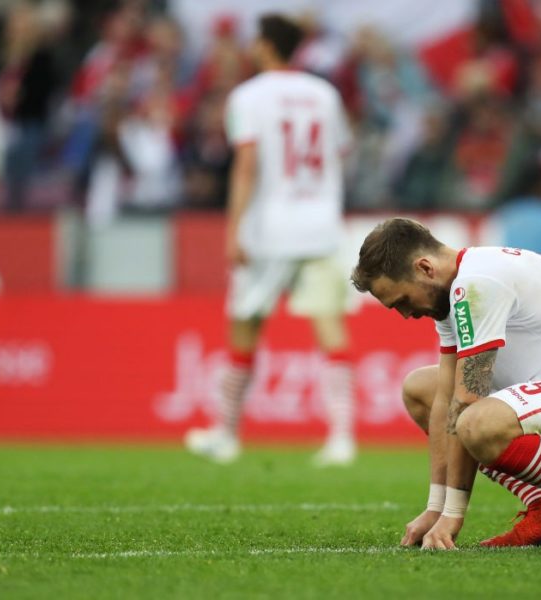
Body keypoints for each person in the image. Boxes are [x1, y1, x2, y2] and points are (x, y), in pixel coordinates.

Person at [351, 218, 541, 551]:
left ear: (424, 268)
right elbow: (446, 397)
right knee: (422, 390)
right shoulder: (458, 287)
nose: (406, 314)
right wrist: (436, 508)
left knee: (477, 423)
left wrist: (453, 515)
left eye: (403, 301)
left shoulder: (477, 283)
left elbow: (466, 403)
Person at [185, 14, 356, 466]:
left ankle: (226, 434)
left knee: (244, 328)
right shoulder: (325, 94)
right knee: (329, 327)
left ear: (264, 46)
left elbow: (246, 164)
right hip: (321, 224)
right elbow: (341, 152)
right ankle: (342, 438)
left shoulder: (248, 96)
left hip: (268, 227)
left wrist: (234, 229)